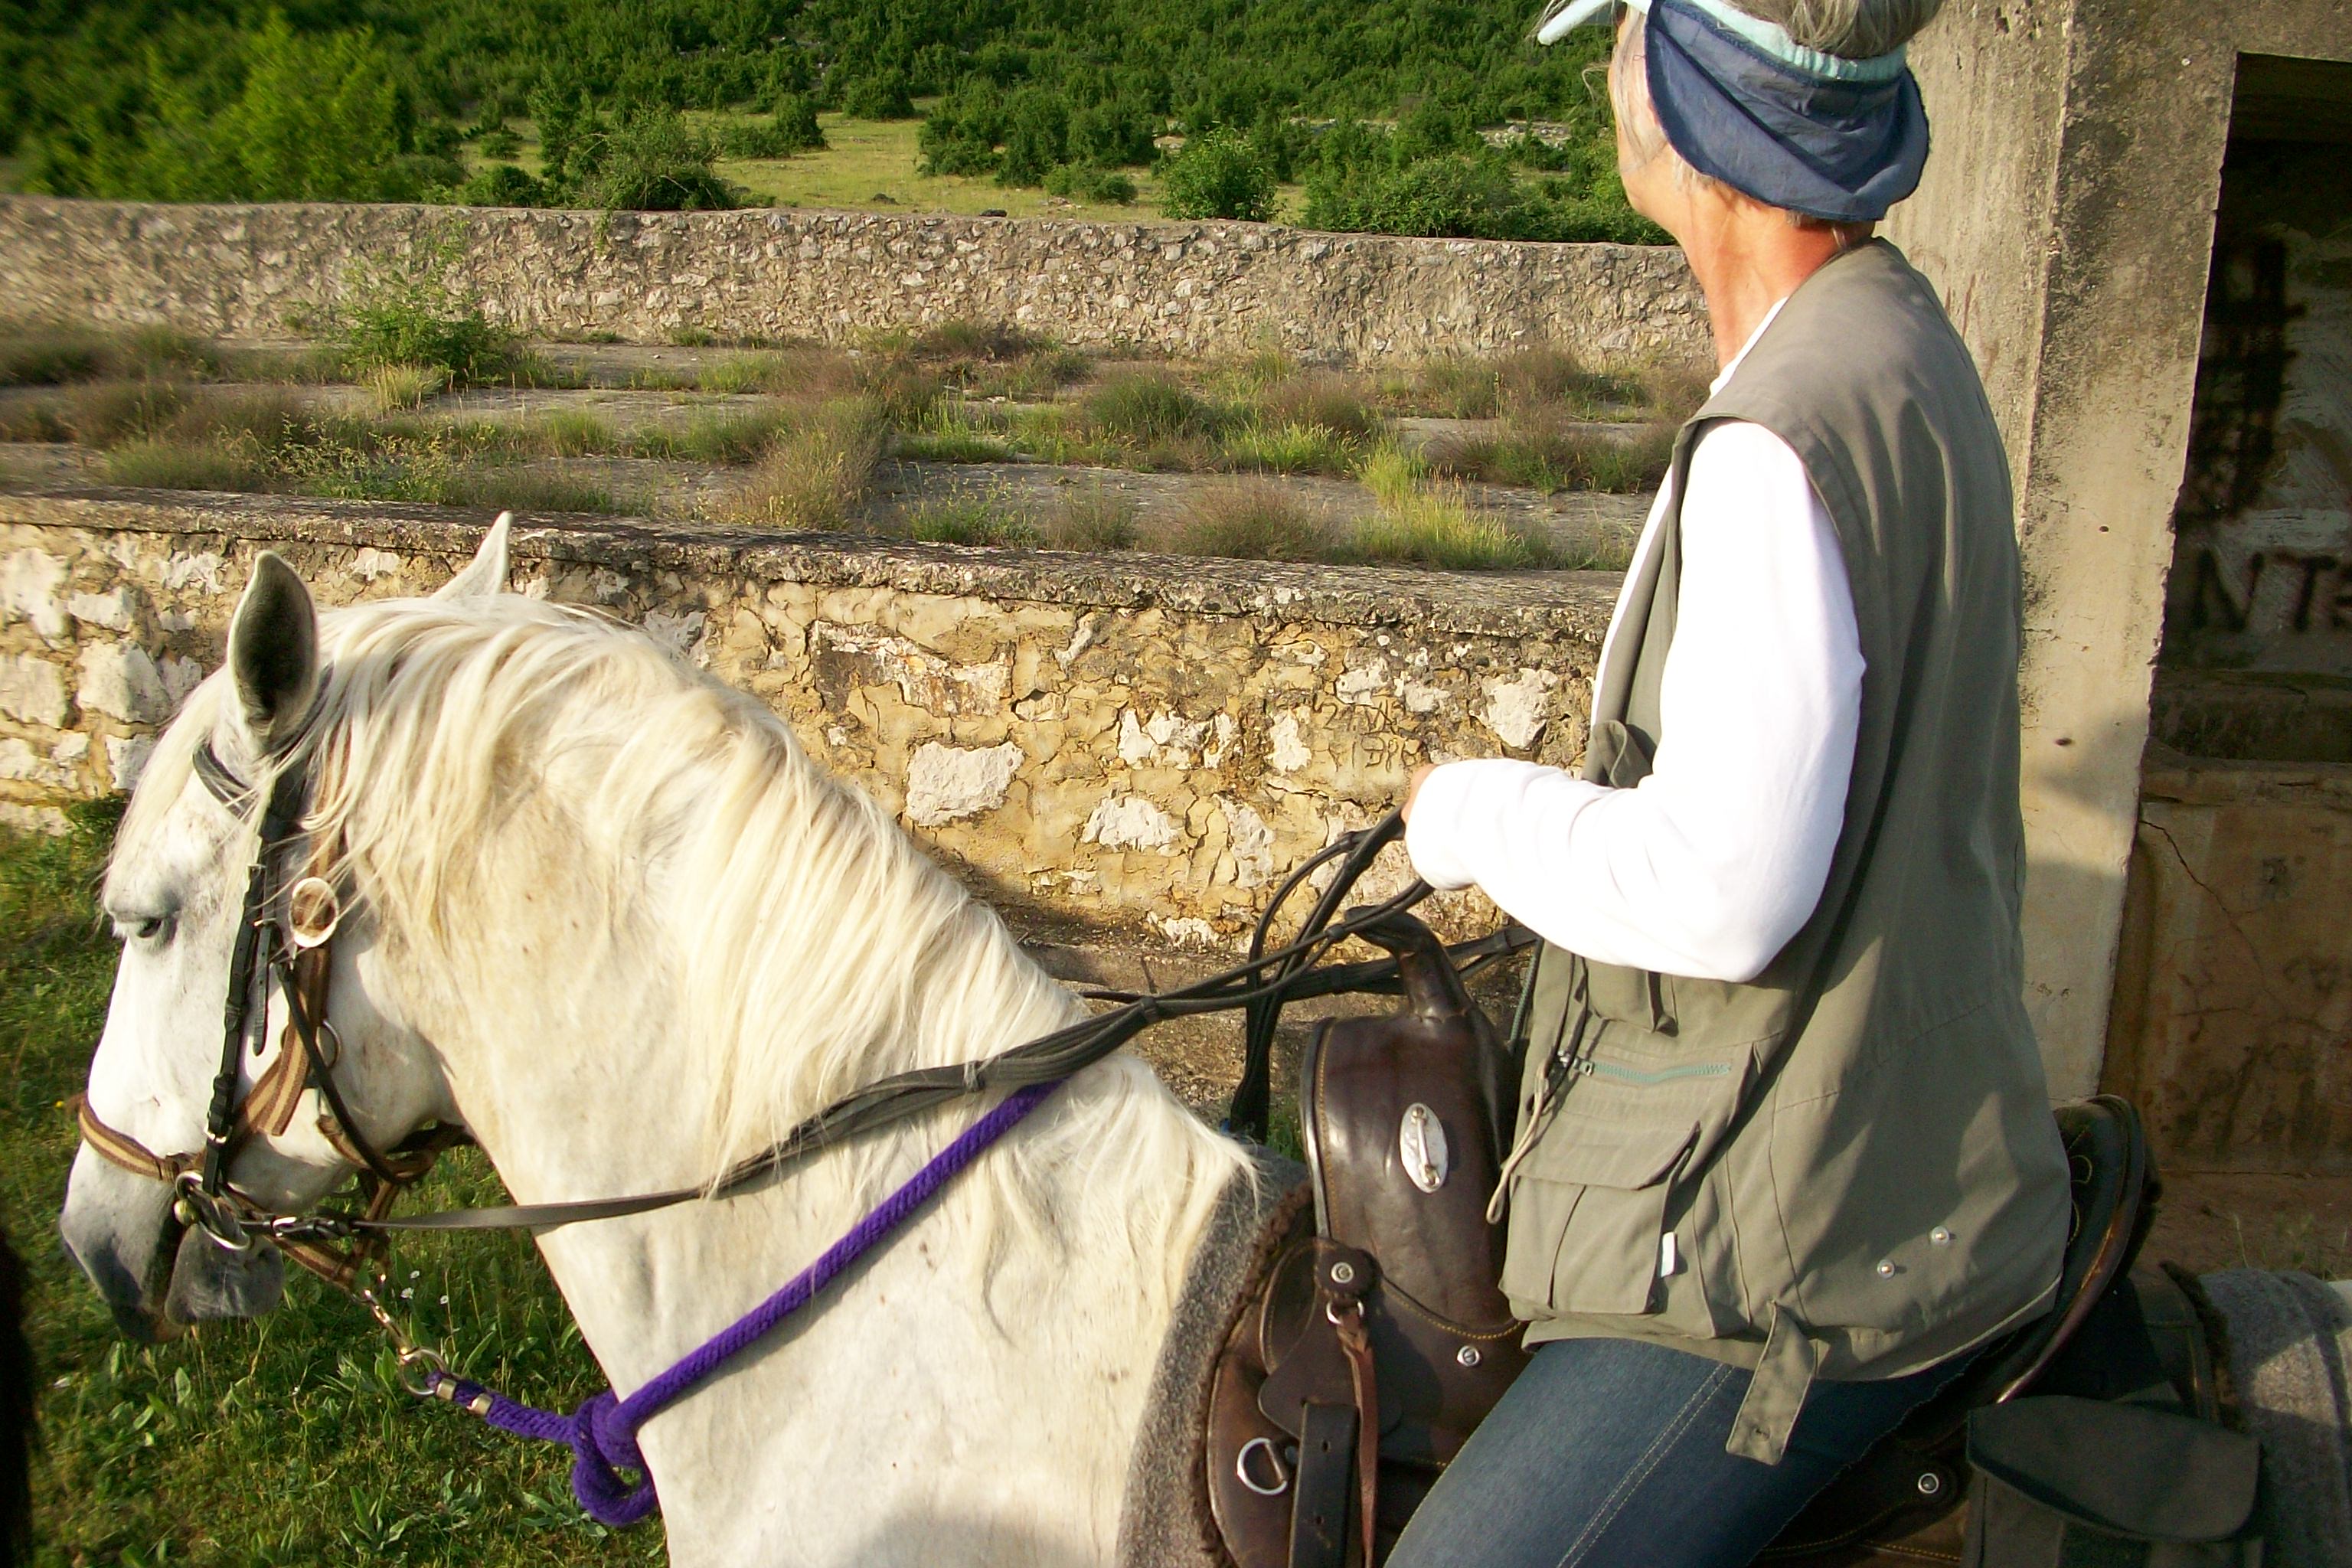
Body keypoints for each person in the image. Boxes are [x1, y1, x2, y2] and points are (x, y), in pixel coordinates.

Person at [1388, 0, 2073, 1562]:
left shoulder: (1780, 435)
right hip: (1894, 1139)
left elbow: (1725, 889)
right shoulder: (1893, 340)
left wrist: (1470, 813)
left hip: (1800, 1235)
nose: (1609, 64)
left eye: (1632, 31)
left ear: (1701, 127)